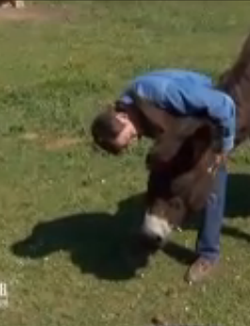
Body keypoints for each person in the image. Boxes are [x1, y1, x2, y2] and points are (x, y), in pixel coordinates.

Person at [91, 69, 236, 283]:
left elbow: (222, 104)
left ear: (122, 116)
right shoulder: (129, 106)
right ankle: (149, 232)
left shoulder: (161, 94)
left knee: (211, 183)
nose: (134, 142)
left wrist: (224, 147)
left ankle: (208, 254)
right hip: (179, 125)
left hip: (208, 116)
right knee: (161, 175)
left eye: (130, 136)